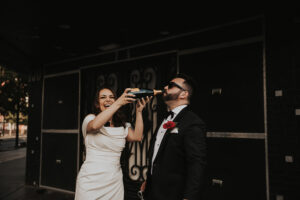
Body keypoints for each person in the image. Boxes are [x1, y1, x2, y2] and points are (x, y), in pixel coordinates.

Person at [75, 87, 151, 200]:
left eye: (111, 97)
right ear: (97, 104)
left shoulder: (122, 125)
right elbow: (95, 126)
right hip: (91, 180)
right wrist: (119, 103)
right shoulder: (90, 119)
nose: (108, 100)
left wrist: (139, 111)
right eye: (103, 97)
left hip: (114, 181)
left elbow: (137, 136)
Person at [140, 73, 207, 200]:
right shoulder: (165, 118)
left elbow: (196, 163)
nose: (165, 87)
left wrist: (189, 197)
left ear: (183, 94)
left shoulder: (192, 122)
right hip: (153, 191)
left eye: (171, 85)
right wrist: (150, 179)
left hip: (173, 194)